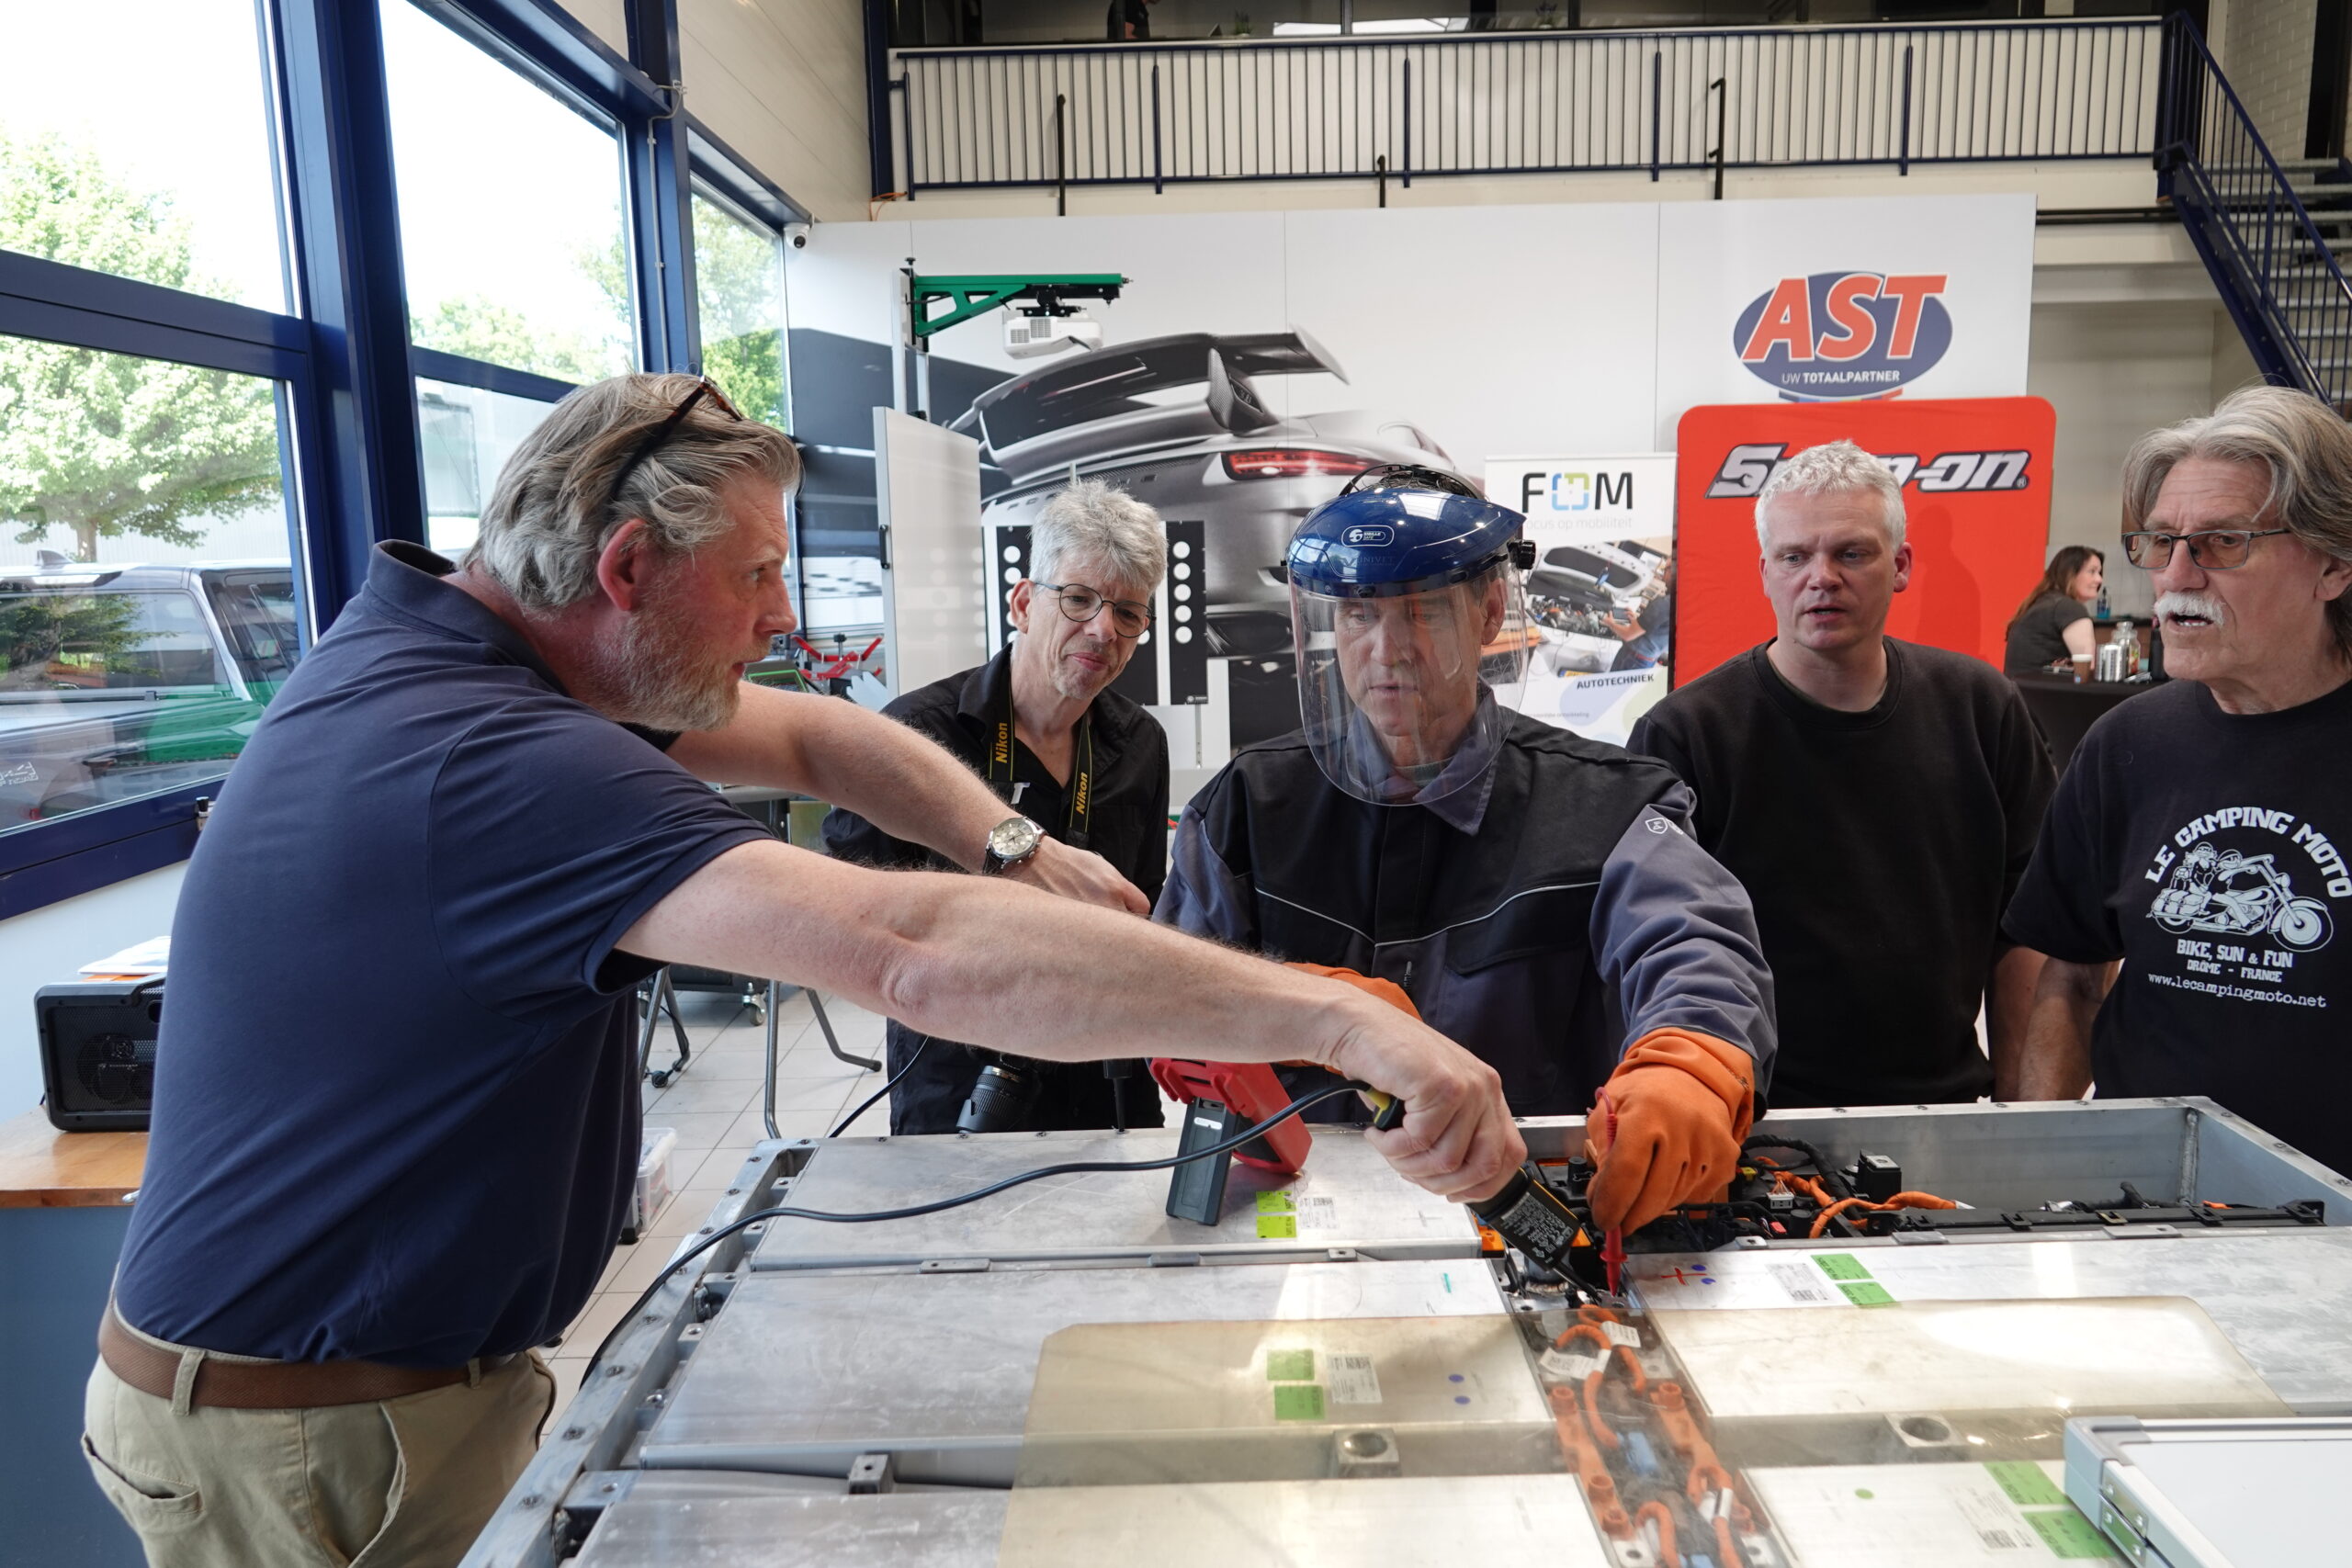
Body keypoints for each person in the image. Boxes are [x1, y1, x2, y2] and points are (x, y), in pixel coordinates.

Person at [84, 376, 1525, 1568]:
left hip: (363, 1386)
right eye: (760, 574)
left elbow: (817, 738)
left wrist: (1013, 841)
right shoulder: (498, 760)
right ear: (626, 568)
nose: (783, 614)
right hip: (314, 1439)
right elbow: (913, 950)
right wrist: (1341, 1015)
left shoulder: (458, 649)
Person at [1158, 467, 1776, 1237]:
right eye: (1358, 614)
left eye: (1421, 610)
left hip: (1530, 1218)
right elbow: (1163, 994)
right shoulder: (1245, 810)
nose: (1388, 649)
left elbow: (1695, 942)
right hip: (1296, 1225)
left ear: (1488, 610)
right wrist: (1308, 1005)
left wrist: (1692, 1064)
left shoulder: (1610, 804)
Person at [1628, 440, 2053, 1111]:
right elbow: (1649, 949)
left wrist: (2025, 1116)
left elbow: (2030, 926)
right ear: (1765, 570)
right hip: (1752, 1118)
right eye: (1796, 556)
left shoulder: (1981, 708)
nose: (1821, 576)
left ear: (1902, 564)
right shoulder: (1686, 734)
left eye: (1851, 553)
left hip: (1943, 1109)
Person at [2004, 385, 2352, 1171]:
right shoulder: (2127, 743)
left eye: (2224, 542)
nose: (2177, 575)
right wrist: (2037, 1167)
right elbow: (2073, 976)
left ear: (2333, 561)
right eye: (2161, 542)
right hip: (2149, 1208)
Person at [823, 479, 1170, 1134]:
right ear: (1023, 602)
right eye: (1078, 598)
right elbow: (848, 905)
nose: (1103, 629)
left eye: (1128, 612)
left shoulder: (1140, 744)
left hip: (1104, 1074)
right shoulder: (919, 733)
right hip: (962, 1074)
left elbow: (1144, 906)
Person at [2004, 544, 2106, 673]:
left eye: (2099, 572)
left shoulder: (2040, 602)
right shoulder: (2069, 608)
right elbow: (2086, 669)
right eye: (2092, 571)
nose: (2099, 579)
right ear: (2070, 573)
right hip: (2044, 691)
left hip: (2020, 689)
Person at [1606, 558, 1675, 671]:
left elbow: (1628, 635)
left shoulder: (1664, 603)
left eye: (1665, 570)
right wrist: (1637, 621)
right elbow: (1658, 629)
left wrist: (1611, 623)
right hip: (1648, 661)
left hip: (1632, 659)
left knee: (1611, 688)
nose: (1663, 576)